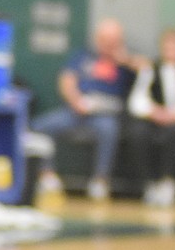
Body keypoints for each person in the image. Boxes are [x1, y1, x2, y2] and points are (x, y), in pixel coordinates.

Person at [32, 18, 140, 201]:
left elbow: (147, 70)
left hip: (106, 115)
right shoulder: (83, 56)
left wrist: (125, 60)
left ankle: (100, 179)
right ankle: (47, 175)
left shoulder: (125, 60)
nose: (108, 44)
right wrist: (76, 101)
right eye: (105, 39)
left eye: (113, 40)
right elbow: (66, 80)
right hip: (77, 110)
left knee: (108, 129)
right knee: (40, 126)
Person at [127, 27, 175, 206]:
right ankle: (149, 184)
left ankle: (168, 182)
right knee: (138, 132)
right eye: (168, 46)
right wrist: (154, 111)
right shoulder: (149, 69)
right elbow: (137, 100)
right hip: (154, 118)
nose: (172, 50)